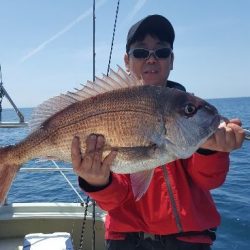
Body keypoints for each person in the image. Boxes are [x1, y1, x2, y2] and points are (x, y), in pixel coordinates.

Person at [71, 15, 245, 250]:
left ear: (171, 60)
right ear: (127, 60)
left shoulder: (188, 113)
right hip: (126, 241)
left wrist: (211, 150)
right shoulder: (112, 107)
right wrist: (97, 182)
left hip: (188, 241)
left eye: (161, 52)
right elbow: (115, 200)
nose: (151, 59)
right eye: (141, 52)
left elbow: (209, 180)